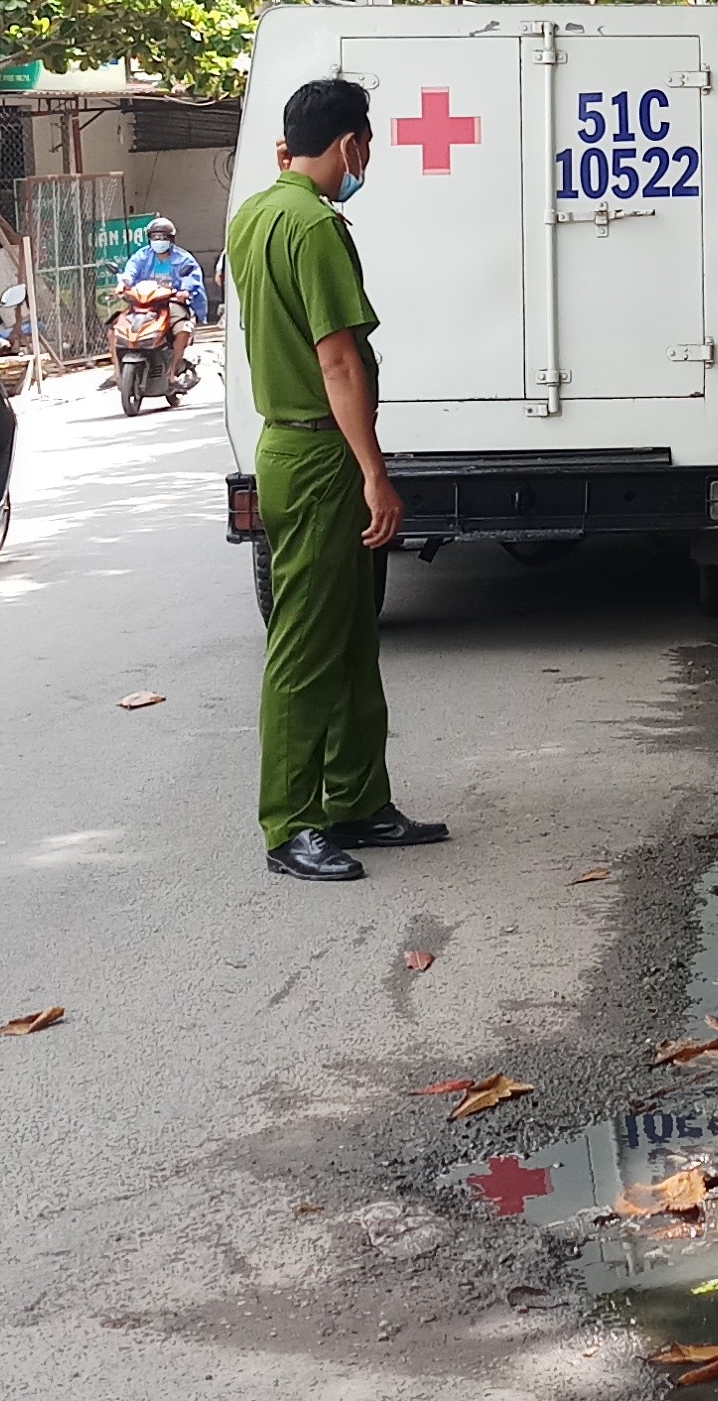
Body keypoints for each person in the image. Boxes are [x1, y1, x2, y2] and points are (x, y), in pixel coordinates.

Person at [230, 77, 437, 881]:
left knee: (352, 637)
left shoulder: (256, 213)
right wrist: (375, 474)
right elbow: (339, 359)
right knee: (308, 646)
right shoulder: (313, 227)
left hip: (296, 447)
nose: (368, 159)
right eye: (369, 145)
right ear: (351, 144)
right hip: (319, 453)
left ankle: (356, 800)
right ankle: (291, 823)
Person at [118, 214, 213, 322]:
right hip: (144, 304)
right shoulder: (142, 255)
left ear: (171, 239)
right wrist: (124, 283)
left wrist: (185, 291)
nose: (159, 241)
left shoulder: (184, 258)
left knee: (182, 329)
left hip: (172, 303)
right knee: (118, 326)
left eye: (164, 238)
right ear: (149, 239)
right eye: (155, 238)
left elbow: (191, 275)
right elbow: (132, 268)